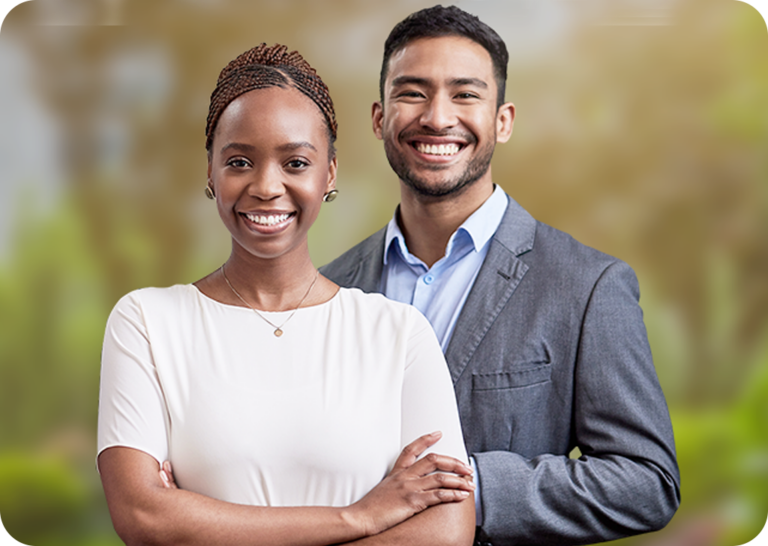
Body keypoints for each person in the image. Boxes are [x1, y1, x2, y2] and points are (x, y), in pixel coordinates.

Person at [320, 5, 681, 546]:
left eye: (465, 94)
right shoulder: (326, 289)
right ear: (379, 117)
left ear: (503, 120)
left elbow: (647, 483)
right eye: (412, 93)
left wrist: (472, 486)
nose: (437, 117)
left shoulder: (587, 287)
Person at [96, 43, 477, 546]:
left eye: (295, 163)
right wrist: (359, 517)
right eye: (239, 162)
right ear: (210, 171)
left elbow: (447, 532)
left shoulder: (398, 334)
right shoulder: (147, 321)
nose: (266, 186)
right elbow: (142, 516)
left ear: (329, 173)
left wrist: (200, 523)